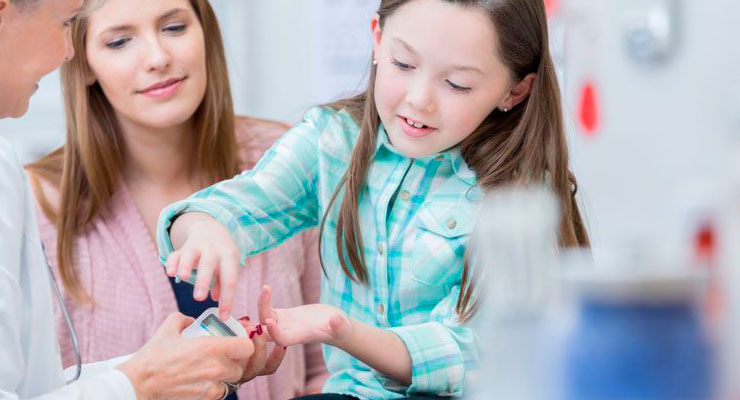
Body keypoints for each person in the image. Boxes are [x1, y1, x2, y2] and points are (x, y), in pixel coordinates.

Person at [158, 0, 590, 398]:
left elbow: (477, 351)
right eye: (404, 63)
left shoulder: (518, 195)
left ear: (514, 91)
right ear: (377, 40)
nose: (419, 100)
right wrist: (205, 226)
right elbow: (244, 201)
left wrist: (342, 331)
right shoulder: (332, 140)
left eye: (457, 85)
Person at [24, 0, 327, 398]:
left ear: (206, 34)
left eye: (174, 28)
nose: (158, 57)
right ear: (80, 63)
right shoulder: (38, 206)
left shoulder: (284, 162)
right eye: (119, 42)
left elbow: (330, 366)